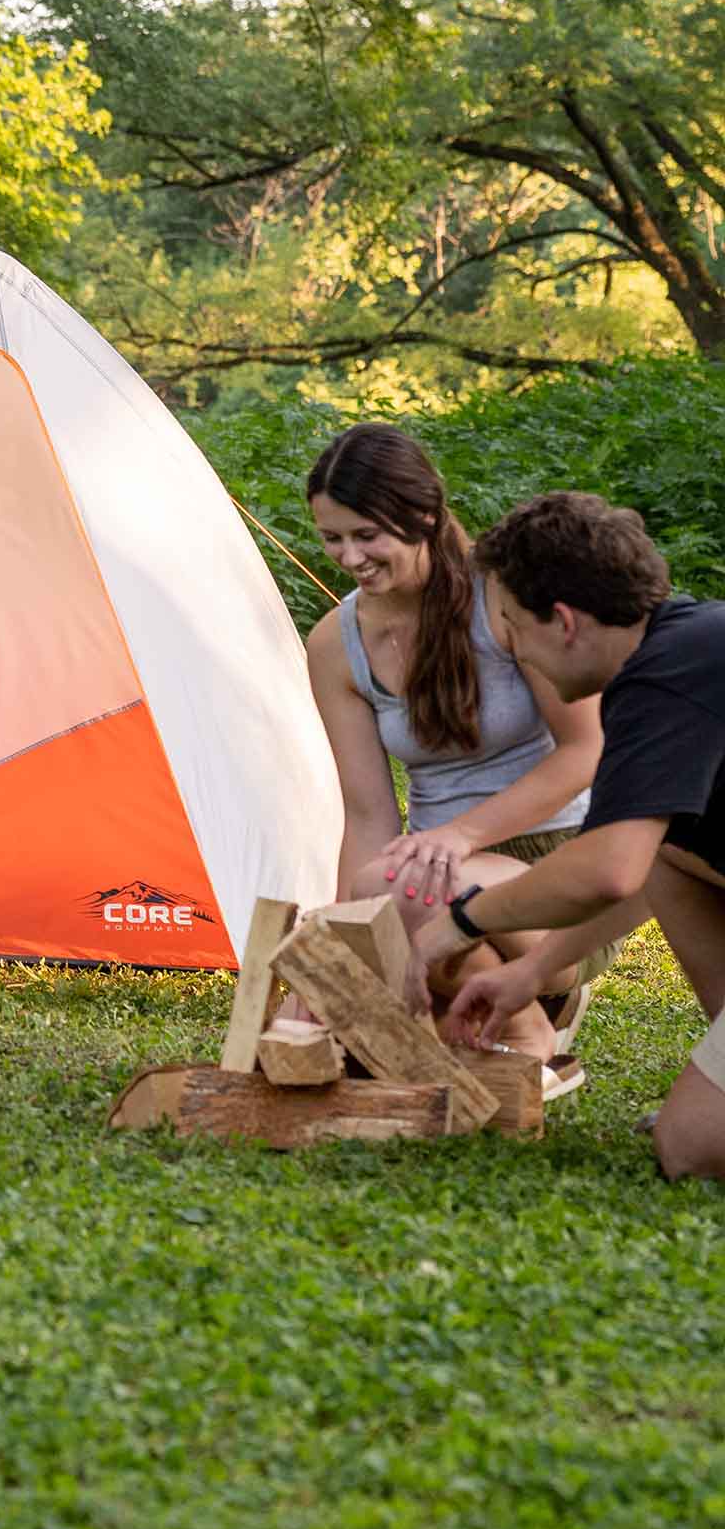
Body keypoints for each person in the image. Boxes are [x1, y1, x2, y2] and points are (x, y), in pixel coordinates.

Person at [419, 495, 725, 1178]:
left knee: (689, 1148)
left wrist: (460, 922)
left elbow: (607, 868)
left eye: (511, 627)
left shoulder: (667, 679)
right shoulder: (683, 649)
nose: (511, 647)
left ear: (561, 621)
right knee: (670, 853)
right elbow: (642, 870)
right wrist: (531, 971)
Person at [302, 425, 607, 1057]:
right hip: (433, 875)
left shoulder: (506, 599)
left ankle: (528, 1031)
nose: (350, 557)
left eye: (367, 535)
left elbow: (586, 750)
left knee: (398, 885)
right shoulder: (334, 644)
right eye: (332, 538)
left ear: (424, 515)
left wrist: (461, 835)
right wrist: (341, 941)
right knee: (377, 897)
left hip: (558, 861)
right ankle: (516, 1011)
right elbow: (367, 814)